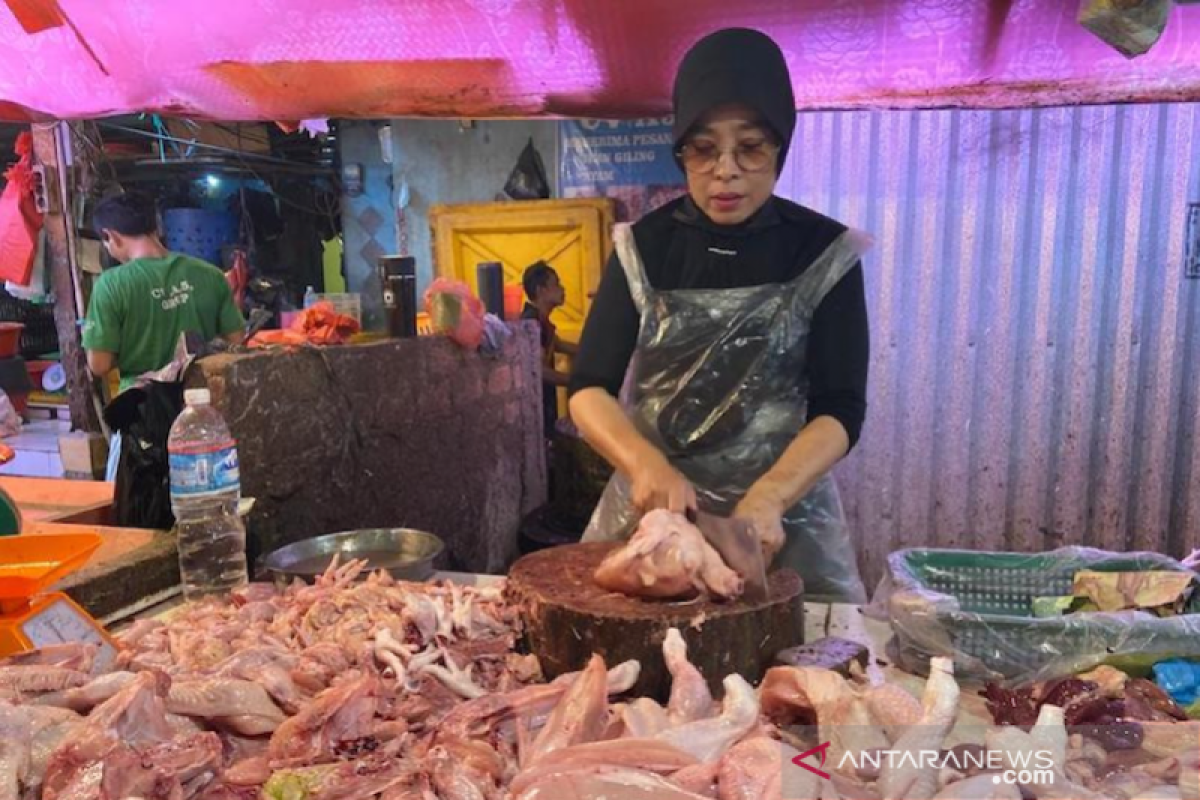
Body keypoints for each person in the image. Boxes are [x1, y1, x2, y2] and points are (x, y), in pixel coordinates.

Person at [567, 28, 871, 603]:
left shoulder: (824, 253)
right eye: (703, 148)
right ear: (680, 149)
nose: (725, 170)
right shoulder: (643, 248)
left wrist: (772, 495)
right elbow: (588, 389)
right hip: (658, 511)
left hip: (783, 518)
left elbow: (841, 408)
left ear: (780, 146)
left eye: (750, 146)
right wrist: (645, 465)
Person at [83, 191, 246, 479]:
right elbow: (236, 341)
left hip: (143, 417)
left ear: (112, 236)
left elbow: (99, 365)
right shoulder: (208, 274)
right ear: (154, 227)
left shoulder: (111, 286)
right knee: (204, 497)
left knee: (137, 511)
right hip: (206, 412)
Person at [521, 261, 578, 437]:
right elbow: (540, 372)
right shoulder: (531, 325)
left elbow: (562, 346)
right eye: (556, 284)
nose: (562, 289)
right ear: (541, 290)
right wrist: (574, 381)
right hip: (533, 409)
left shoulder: (543, 324)